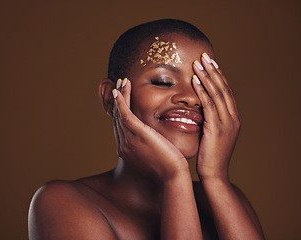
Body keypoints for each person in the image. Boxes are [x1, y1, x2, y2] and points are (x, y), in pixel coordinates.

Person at [28, 19, 264, 239]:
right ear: (111, 98)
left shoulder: (227, 198)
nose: (192, 99)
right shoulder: (61, 203)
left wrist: (216, 177)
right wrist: (175, 177)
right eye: (163, 81)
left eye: (204, 86)